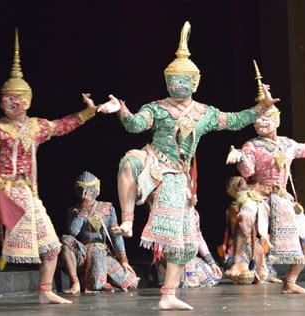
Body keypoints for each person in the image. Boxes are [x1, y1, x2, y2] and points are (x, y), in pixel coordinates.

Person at [100, 21, 279, 310]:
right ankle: (128, 220)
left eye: (183, 81)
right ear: (166, 81)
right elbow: (135, 126)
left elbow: (234, 120)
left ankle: (168, 294)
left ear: (195, 82)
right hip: (154, 161)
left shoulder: (204, 114)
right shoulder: (157, 108)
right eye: (173, 80)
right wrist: (122, 111)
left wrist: (262, 107)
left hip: (177, 176)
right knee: (129, 160)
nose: (177, 85)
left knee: (181, 241)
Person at [0, 30, 112, 304]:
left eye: (17, 97)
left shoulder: (37, 126)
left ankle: (45, 291)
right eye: (7, 97)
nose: (11, 102)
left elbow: (62, 126)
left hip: (26, 195)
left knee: (52, 248)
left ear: (27, 100)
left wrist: (89, 112)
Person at [226, 105, 305, 294]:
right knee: (244, 217)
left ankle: (289, 282)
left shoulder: (287, 144)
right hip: (258, 194)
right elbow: (247, 171)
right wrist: (240, 157)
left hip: (281, 197)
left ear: (276, 121)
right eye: (257, 120)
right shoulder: (252, 145)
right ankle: (237, 262)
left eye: (264, 119)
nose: (259, 123)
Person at [61, 171, 139, 293]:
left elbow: (116, 236)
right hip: (82, 253)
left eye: (89, 190)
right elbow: (73, 232)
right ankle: (75, 282)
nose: (86, 194)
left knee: (132, 283)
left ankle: (104, 282)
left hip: (101, 253)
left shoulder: (107, 209)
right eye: (83, 190)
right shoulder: (74, 210)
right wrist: (84, 207)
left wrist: (124, 260)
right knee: (66, 239)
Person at [221, 176, 281, 284]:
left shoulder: (255, 204)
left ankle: (261, 273)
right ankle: (235, 267)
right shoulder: (234, 207)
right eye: (241, 186)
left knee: (262, 275)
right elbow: (241, 228)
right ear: (235, 190)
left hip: (253, 245)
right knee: (246, 277)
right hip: (238, 246)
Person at [156, 209, 222, 288]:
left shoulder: (194, 214)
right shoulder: (170, 211)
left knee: (213, 274)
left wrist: (211, 262)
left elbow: (199, 237)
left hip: (188, 256)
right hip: (171, 255)